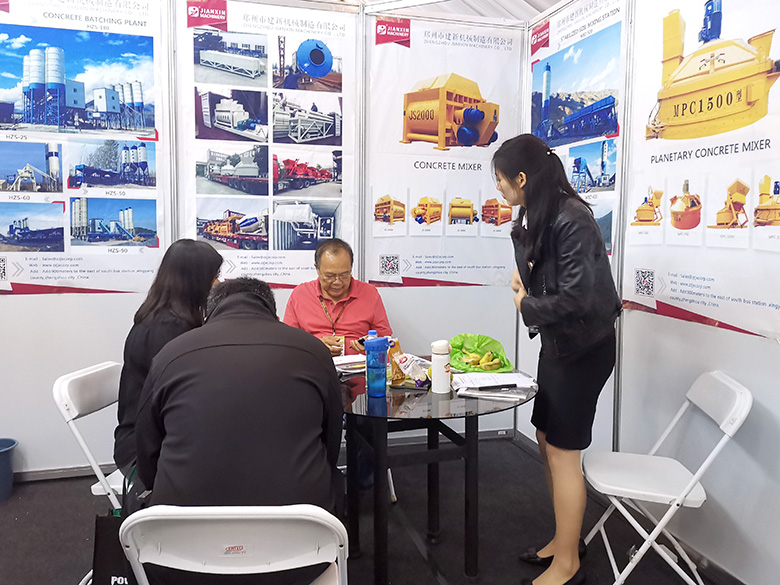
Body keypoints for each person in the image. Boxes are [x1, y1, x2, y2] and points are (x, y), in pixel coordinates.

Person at [135, 278, 344, 585]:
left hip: (180, 558)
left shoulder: (171, 354)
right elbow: (330, 443)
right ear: (272, 313)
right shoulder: (312, 351)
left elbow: (147, 451)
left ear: (208, 313)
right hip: (300, 557)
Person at [493, 134, 620, 585]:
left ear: (521, 178)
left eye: (500, 179)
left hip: (584, 350)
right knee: (546, 440)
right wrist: (525, 278)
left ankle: (567, 564)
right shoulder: (539, 213)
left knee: (565, 453)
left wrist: (524, 303)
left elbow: (577, 299)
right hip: (559, 345)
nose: (498, 188)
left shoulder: (572, 217)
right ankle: (565, 541)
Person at [113, 239, 222, 503]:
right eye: (214, 276)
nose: (218, 283)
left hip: (164, 435)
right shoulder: (166, 331)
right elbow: (182, 404)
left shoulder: (172, 320)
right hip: (145, 449)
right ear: (195, 280)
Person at [284, 238, 392, 356]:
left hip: (359, 365)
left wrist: (371, 345)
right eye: (330, 276)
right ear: (317, 269)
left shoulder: (369, 293)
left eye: (344, 275)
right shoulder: (300, 294)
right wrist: (315, 345)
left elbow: (387, 341)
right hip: (313, 364)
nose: (337, 282)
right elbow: (287, 342)